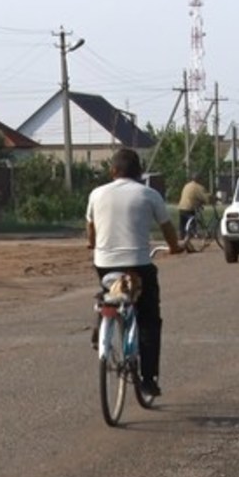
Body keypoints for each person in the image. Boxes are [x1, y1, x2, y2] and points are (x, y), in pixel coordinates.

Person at [86, 148, 183, 397]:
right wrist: (174, 248)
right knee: (149, 318)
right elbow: (167, 228)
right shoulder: (149, 194)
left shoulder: (96, 194)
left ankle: (103, 316)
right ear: (139, 173)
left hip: (104, 263)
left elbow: (91, 229)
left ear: (113, 170)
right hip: (138, 265)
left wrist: (93, 244)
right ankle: (148, 378)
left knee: (109, 288)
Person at [177, 172, 212, 239]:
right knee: (193, 221)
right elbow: (205, 198)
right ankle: (195, 233)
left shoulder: (187, 185)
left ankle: (181, 235)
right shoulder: (199, 187)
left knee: (182, 223)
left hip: (181, 207)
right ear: (199, 179)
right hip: (189, 208)